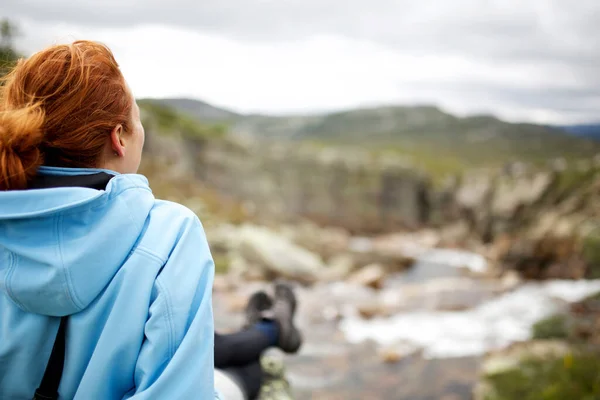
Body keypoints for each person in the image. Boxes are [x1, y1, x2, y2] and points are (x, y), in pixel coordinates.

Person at [0, 40, 301, 400]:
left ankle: (269, 328)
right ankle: (270, 333)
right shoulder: (169, 232)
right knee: (243, 371)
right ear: (119, 137)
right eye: (137, 119)